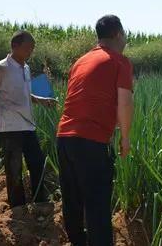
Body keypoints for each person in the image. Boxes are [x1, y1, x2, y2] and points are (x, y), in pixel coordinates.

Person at [57, 15, 134, 246]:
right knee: (97, 203)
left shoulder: (80, 61)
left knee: (72, 200)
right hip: (91, 142)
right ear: (118, 34)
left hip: (64, 138)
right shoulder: (120, 61)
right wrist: (125, 137)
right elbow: (125, 102)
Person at [0, 31, 57, 207]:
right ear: (15, 46)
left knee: (37, 164)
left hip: (27, 126)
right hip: (8, 128)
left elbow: (24, 94)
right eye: (28, 47)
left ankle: (40, 203)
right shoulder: (1, 68)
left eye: (32, 48)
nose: (30, 51)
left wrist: (42, 101)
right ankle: (18, 209)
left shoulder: (26, 68)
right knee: (14, 171)